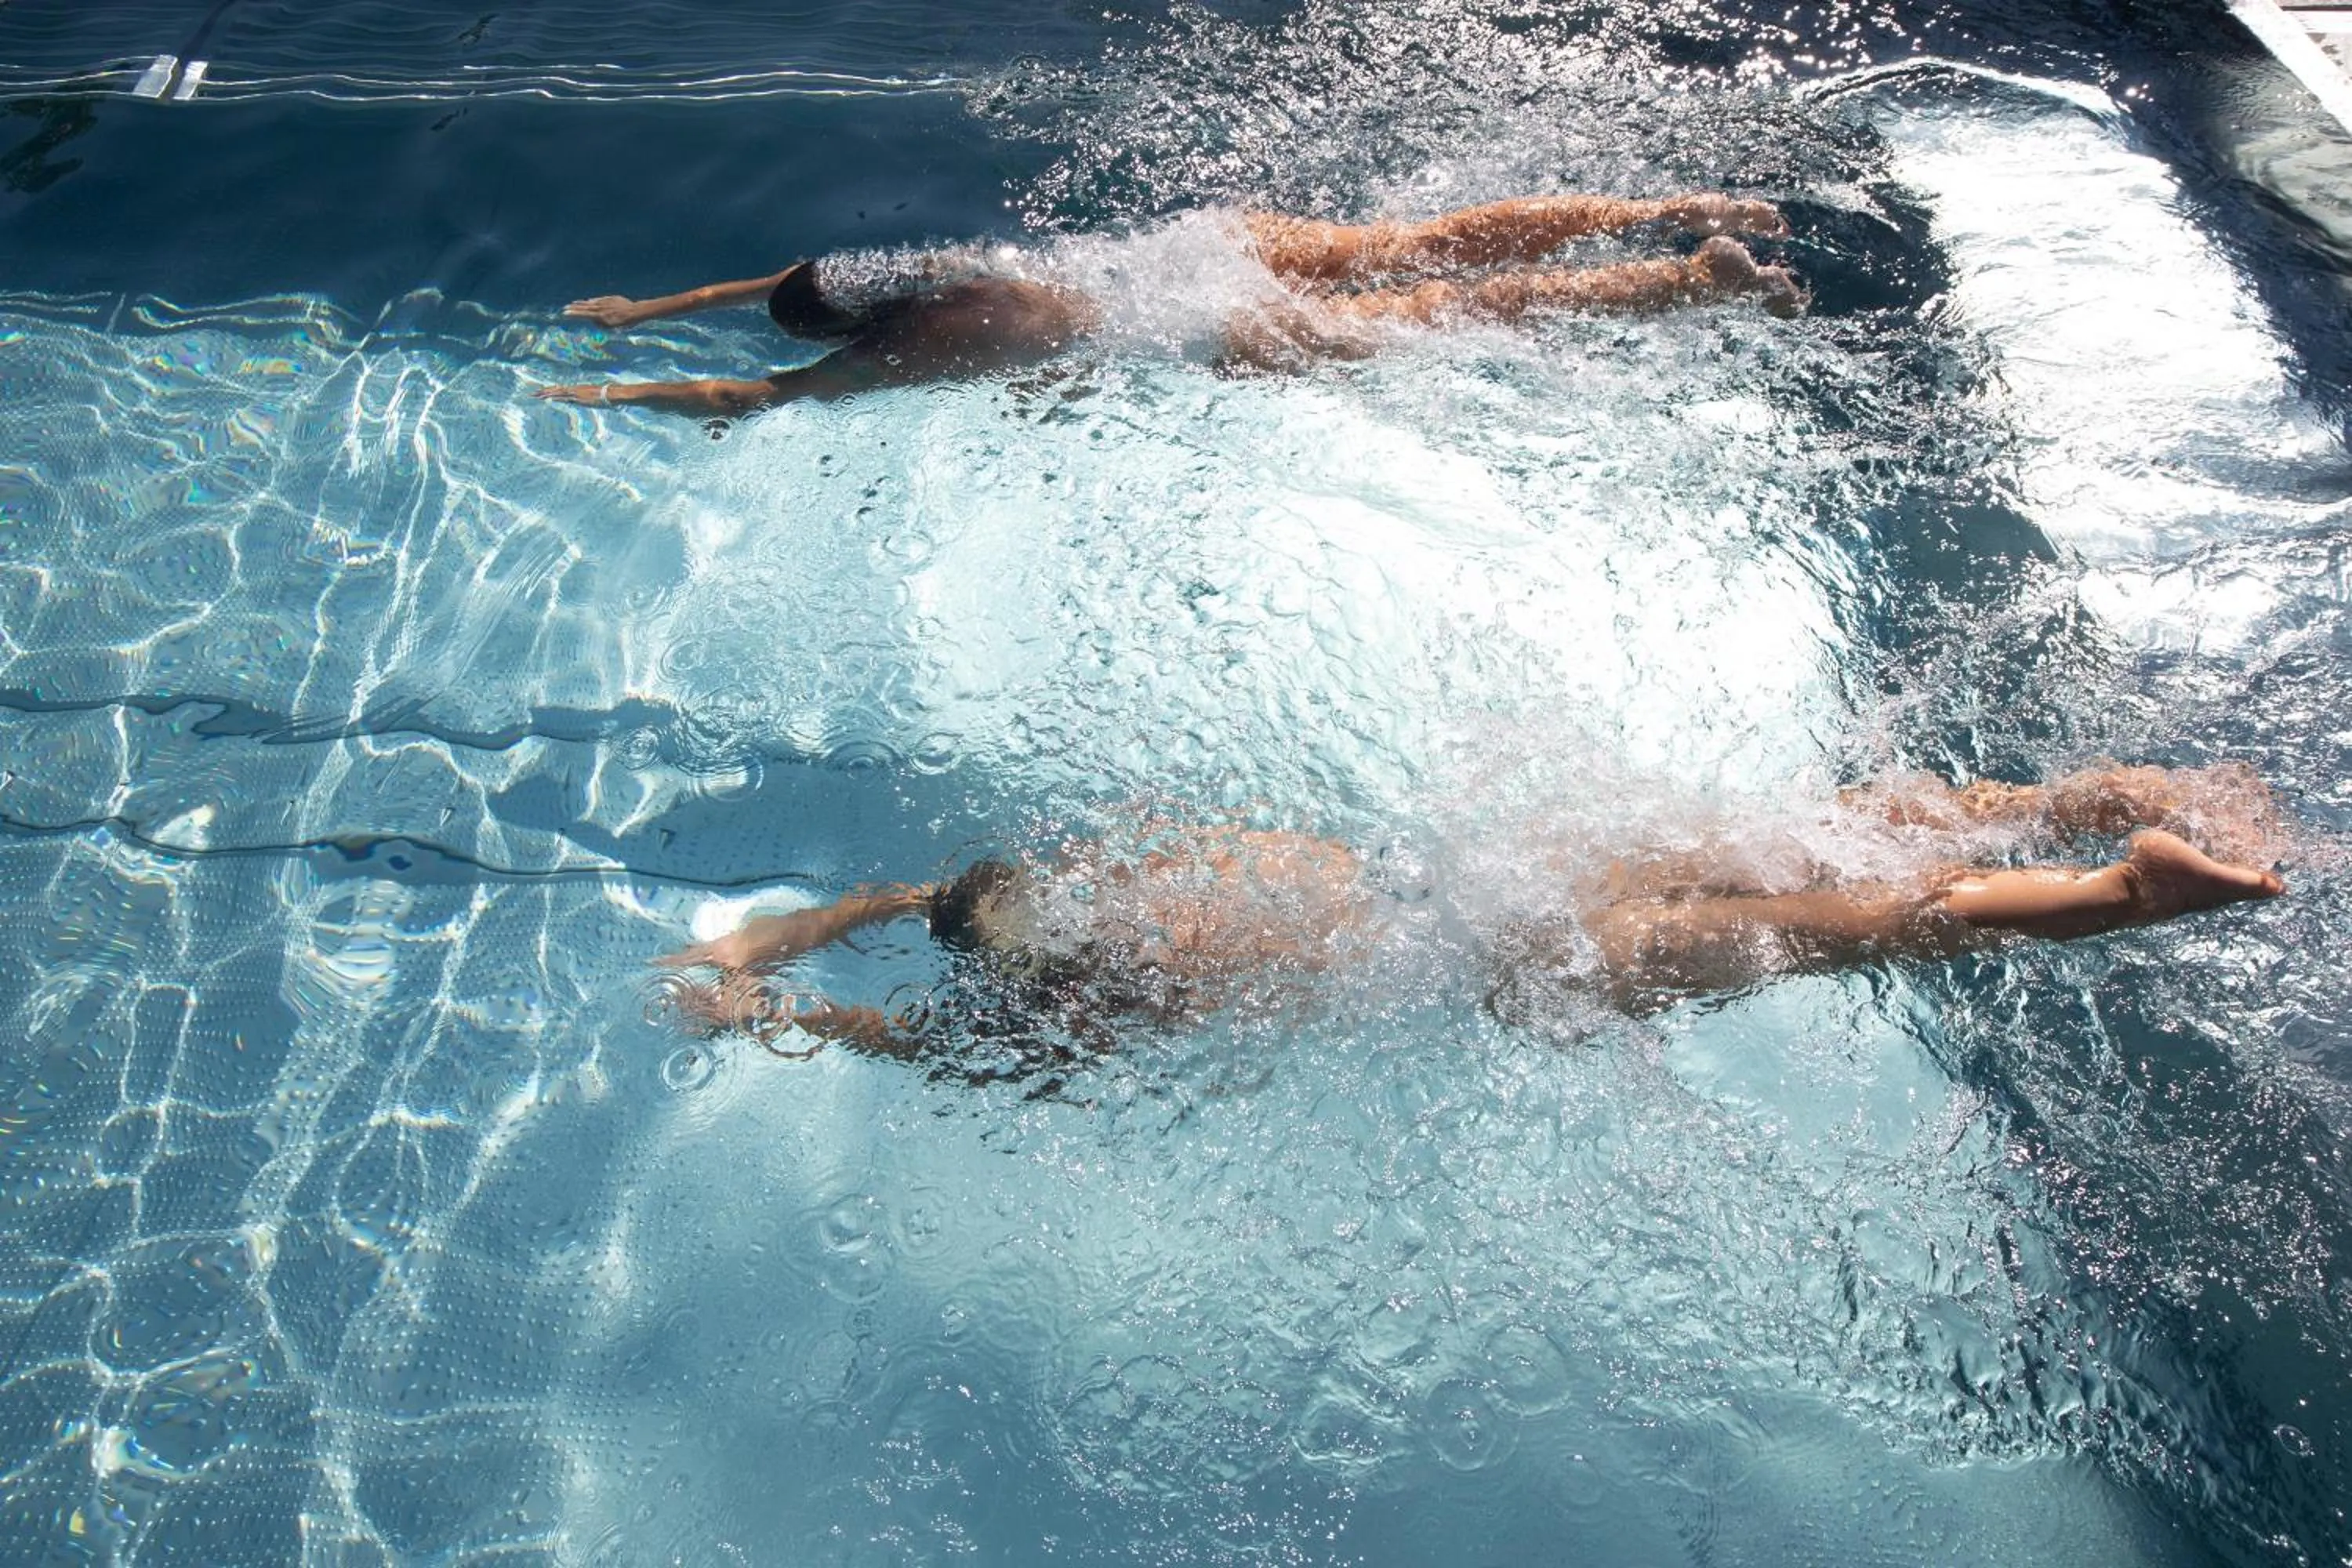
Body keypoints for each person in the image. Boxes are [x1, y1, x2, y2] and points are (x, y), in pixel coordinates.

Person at [656, 763, 2286, 1065]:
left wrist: (760, 1010)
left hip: (1500, 956)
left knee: (1838, 920)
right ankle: (2089, 794)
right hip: (1502, 853)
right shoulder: (1127, 863)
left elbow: (913, 1041)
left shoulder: (1093, 1002)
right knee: (1815, 832)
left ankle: (2119, 890)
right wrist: (761, 950)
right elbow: (889, 904)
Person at [537, 192, 1805, 418]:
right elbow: (762, 287)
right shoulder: (902, 269)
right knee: (1423, 247)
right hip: (1196, 250)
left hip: (1198, 327)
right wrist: (645, 304)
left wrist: (614, 388)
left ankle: (1688, 285)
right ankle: (1685, 204)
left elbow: (746, 391)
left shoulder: (891, 350)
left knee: (1438, 313)